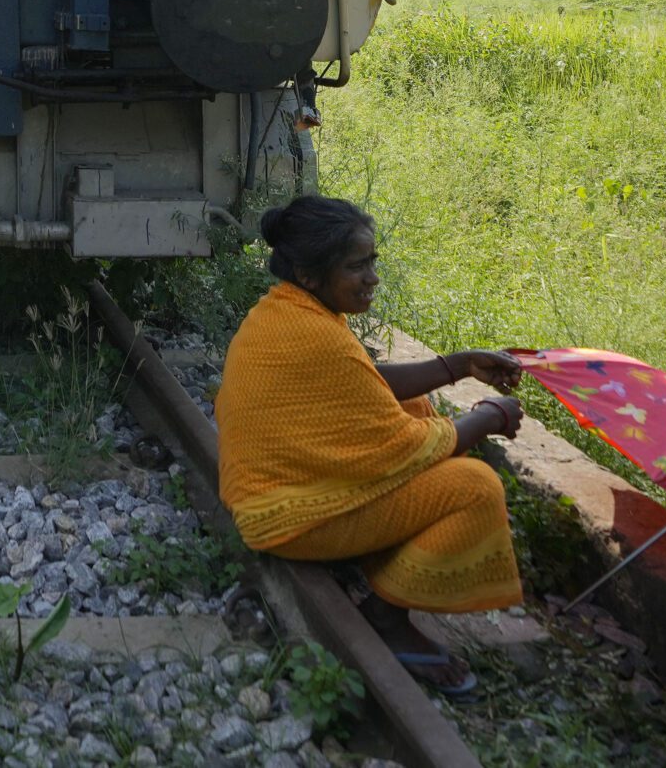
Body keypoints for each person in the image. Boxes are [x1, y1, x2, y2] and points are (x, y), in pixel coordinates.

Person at [215, 194, 525, 697]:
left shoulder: (286, 311)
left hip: (268, 500)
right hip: (287, 519)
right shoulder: (317, 333)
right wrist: (487, 417)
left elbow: (364, 383)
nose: (372, 278)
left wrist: (459, 364)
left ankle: (380, 568)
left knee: (416, 409)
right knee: (474, 487)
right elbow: (405, 446)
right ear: (311, 275)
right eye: (356, 266)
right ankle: (385, 617)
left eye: (372, 262)